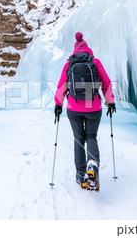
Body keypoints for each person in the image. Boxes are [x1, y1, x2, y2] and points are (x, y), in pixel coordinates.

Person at [54, 32, 116, 190]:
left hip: (74, 109)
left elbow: (62, 86)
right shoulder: (95, 61)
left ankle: (80, 175)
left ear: (75, 50)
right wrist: (110, 101)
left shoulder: (69, 64)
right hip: (93, 108)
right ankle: (93, 166)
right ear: (87, 49)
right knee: (91, 137)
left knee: (78, 139)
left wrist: (58, 104)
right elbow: (106, 83)